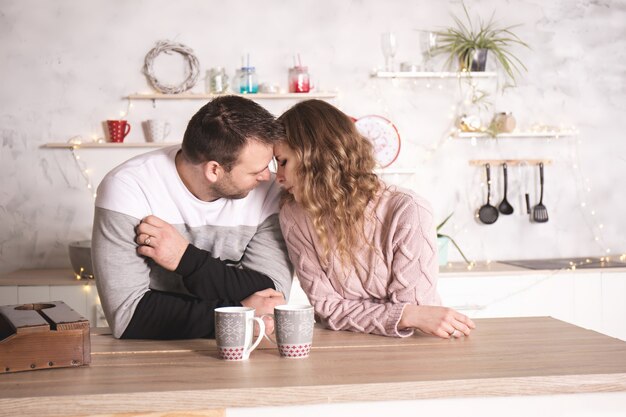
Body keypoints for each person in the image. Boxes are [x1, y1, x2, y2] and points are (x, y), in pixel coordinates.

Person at [92, 96, 292, 339]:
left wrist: (186, 259)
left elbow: (271, 296)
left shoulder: (269, 190)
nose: (268, 176)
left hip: (242, 349)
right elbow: (129, 316)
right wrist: (242, 312)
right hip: (148, 355)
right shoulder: (128, 188)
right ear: (214, 170)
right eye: (255, 171)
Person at [274, 99, 476, 339]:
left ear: (314, 157)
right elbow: (327, 309)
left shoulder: (407, 210)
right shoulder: (294, 214)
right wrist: (404, 314)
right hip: (343, 348)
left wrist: (406, 315)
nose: (278, 177)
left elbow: (414, 313)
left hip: (416, 349)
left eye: (283, 162)